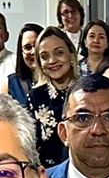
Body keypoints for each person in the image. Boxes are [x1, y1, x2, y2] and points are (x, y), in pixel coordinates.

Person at [26, 26, 78, 167]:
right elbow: (30, 146)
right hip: (49, 176)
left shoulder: (87, 92)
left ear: (71, 54)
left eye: (59, 53)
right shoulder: (35, 97)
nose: (52, 61)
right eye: (44, 56)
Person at [4, 22, 41, 108]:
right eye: (27, 48)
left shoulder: (58, 80)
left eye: (37, 46)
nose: (33, 51)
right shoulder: (11, 83)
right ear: (21, 52)